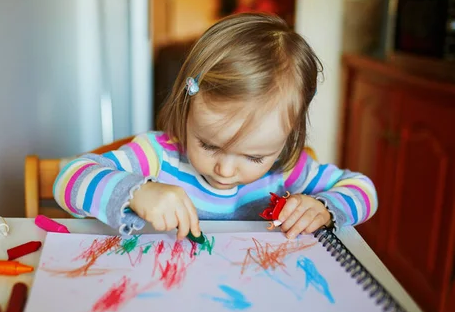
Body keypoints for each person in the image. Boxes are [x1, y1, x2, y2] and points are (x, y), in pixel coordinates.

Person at [54, 13, 377, 242]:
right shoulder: (157, 156)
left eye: (253, 157)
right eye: (208, 145)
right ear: (186, 105)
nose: (224, 169)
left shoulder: (287, 171)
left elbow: (363, 190)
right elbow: (68, 178)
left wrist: (323, 208)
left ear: (288, 137)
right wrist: (137, 192)